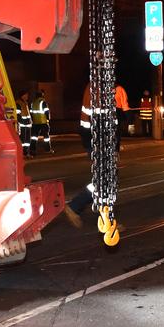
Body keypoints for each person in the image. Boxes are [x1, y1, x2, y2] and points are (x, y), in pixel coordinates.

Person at [65, 84, 122, 228]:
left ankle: (101, 218)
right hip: (99, 143)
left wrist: (114, 147)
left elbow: (112, 123)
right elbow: (88, 122)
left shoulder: (103, 88)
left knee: (106, 181)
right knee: (105, 181)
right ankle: (79, 208)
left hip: (102, 143)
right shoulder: (96, 89)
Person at [30, 90, 53, 154]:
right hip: (43, 122)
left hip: (35, 122)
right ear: (42, 95)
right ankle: (47, 150)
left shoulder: (33, 103)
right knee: (46, 137)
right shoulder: (43, 102)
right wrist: (48, 119)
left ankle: (32, 149)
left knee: (34, 137)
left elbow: (31, 113)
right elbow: (46, 111)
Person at [15, 89, 33, 158]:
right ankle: (22, 154)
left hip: (28, 124)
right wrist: (20, 123)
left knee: (27, 141)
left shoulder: (25, 103)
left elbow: (28, 113)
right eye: (26, 95)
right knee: (22, 140)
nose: (27, 96)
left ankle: (26, 153)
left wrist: (30, 121)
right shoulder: (18, 103)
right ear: (22, 96)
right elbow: (18, 115)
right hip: (22, 125)